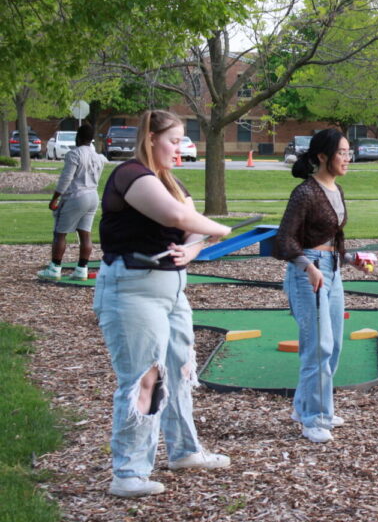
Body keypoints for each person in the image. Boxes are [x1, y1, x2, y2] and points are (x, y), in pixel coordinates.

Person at [93, 110, 233, 498]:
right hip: (132, 288)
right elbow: (175, 214)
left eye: (183, 140)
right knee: (144, 377)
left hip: (172, 290)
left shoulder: (170, 180)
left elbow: (189, 227)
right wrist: (220, 228)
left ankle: (185, 451)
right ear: (150, 137)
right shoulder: (130, 175)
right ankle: (129, 473)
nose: (180, 148)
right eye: (173, 140)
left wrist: (193, 249)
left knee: (180, 370)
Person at [273, 128, 370, 444]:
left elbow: (330, 241)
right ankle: (314, 419)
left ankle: (307, 408)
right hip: (307, 274)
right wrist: (308, 267)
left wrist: (352, 257)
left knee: (334, 345)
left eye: (348, 152)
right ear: (322, 157)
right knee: (318, 347)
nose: (347, 158)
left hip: (332, 270)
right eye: (342, 152)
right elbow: (284, 240)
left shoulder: (336, 190)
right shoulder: (305, 192)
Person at [37, 124, 105, 281]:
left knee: (60, 233)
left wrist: (55, 198)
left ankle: (55, 268)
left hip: (76, 196)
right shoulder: (98, 157)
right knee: (85, 233)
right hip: (93, 196)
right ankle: (82, 269)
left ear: (78, 137)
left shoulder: (74, 154)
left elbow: (66, 178)